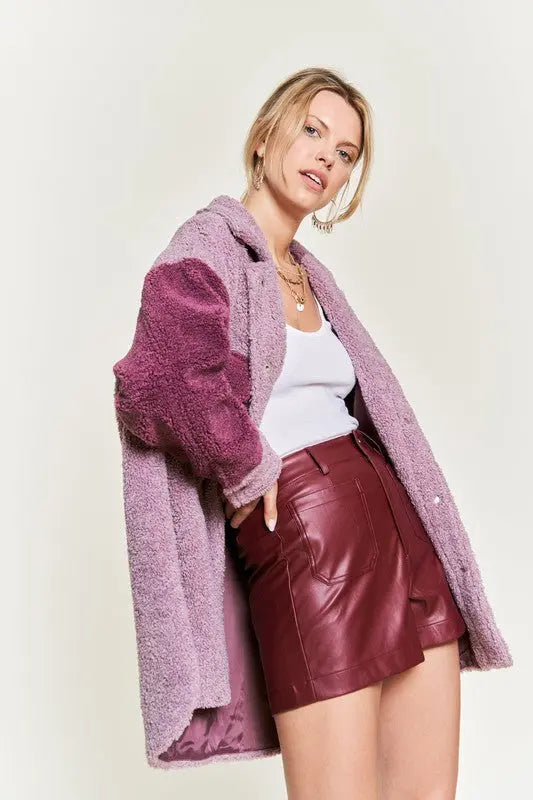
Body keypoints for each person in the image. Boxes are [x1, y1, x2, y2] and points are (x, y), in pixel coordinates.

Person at [112, 66, 512, 791]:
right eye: (312, 129)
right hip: (308, 531)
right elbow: (157, 378)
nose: (327, 155)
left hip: (399, 528)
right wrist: (245, 465)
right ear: (265, 137)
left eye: (346, 152)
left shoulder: (307, 273)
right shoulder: (207, 249)